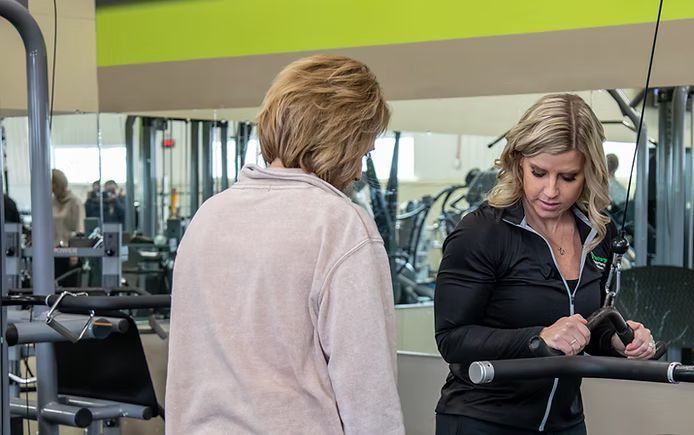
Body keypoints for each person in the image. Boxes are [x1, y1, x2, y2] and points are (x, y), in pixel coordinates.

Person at [165, 55, 404, 434]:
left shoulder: (208, 216)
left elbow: (184, 372)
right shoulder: (339, 225)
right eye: (363, 151)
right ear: (340, 139)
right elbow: (367, 390)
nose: (359, 170)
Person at [434, 94, 656, 435]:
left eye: (568, 177)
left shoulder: (598, 233)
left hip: (565, 423)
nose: (550, 191)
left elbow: (586, 330)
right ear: (518, 161)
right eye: (538, 173)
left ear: (589, 174)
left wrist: (618, 340)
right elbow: (453, 338)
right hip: (484, 421)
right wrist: (537, 336)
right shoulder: (482, 233)